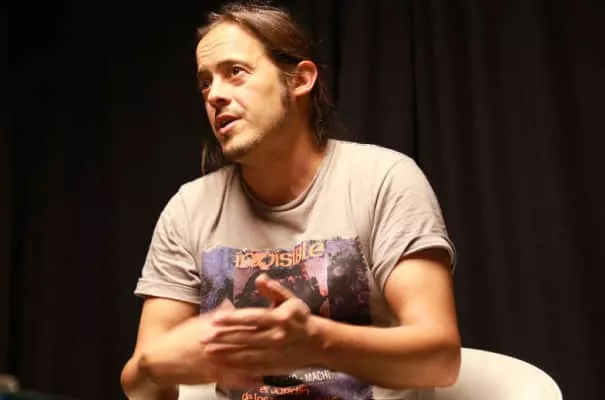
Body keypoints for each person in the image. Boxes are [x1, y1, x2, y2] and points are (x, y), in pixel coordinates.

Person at [120, 2, 461, 399]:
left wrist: (316, 341)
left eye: (235, 72)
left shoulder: (384, 180)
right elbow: (140, 385)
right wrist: (154, 365)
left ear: (300, 80)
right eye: (205, 83)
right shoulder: (189, 209)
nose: (215, 95)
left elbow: (440, 360)